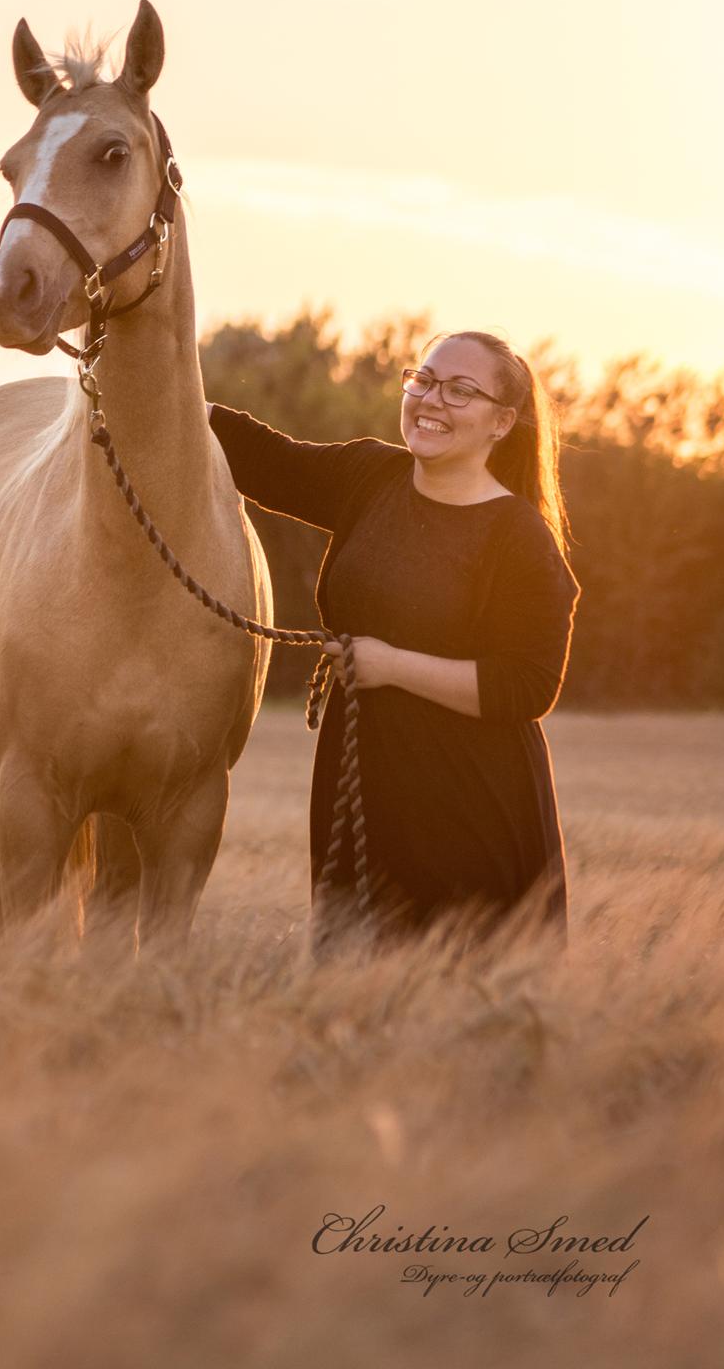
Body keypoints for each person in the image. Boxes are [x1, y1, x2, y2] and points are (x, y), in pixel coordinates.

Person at [206, 330, 581, 959]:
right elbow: (266, 460)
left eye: (462, 391)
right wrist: (160, 376)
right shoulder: (370, 475)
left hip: (471, 805)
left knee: (458, 1004)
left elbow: (528, 686)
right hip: (360, 785)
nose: (433, 400)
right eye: (425, 380)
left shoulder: (520, 538)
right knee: (353, 996)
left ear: (502, 422)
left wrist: (391, 665)